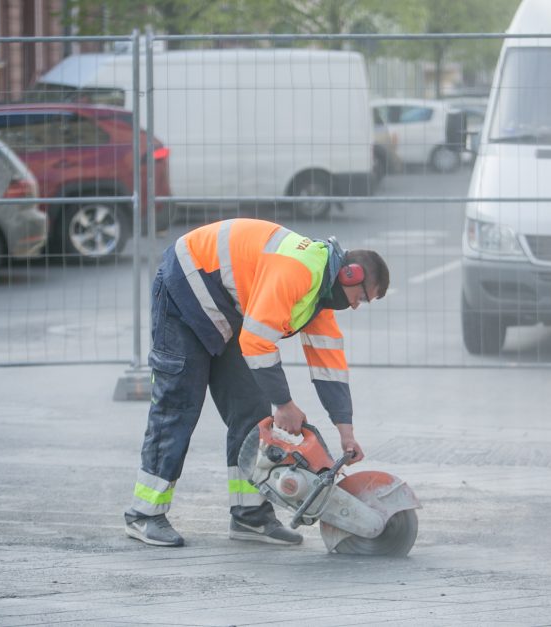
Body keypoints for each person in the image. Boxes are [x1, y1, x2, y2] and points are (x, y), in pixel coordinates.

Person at [124, 218, 389, 547]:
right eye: (361, 298)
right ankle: (144, 514)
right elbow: (257, 342)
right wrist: (284, 404)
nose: (354, 305)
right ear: (351, 275)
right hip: (186, 291)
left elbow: (329, 365)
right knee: (178, 406)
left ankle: (250, 517)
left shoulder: (320, 293)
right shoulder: (299, 271)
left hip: (230, 312)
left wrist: (346, 433)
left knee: (250, 412)